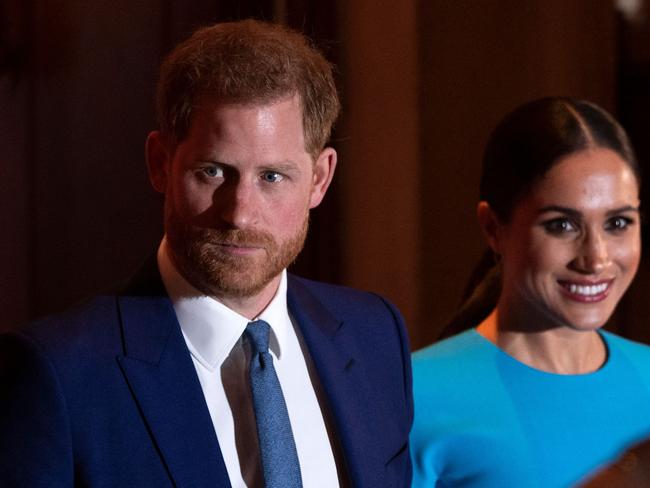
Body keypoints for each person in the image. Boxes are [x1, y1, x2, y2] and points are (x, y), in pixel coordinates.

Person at [0, 20, 413, 487]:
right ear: (160, 163)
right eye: (213, 171)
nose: (239, 213)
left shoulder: (375, 336)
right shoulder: (60, 376)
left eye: (273, 177)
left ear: (320, 179)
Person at [410, 97, 650, 487]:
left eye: (618, 222)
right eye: (562, 225)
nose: (596, 258)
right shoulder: (413, 397)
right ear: (493, 228)